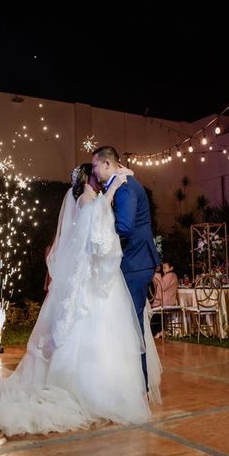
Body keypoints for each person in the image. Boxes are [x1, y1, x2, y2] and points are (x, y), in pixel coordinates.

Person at [0, 164, 161, 436]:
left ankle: (108, 385)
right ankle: (92, 390)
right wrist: (111, 191)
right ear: (91, 178)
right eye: (97, 174)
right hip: (94, 278)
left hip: (91, 275)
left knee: (99, 333)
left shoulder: (83, 199)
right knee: (98, 331)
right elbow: (98, 238)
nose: (101, 179)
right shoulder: (89, 199)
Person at [91, 146, 161, 386]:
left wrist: (100, 238)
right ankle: (131, 382)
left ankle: (138, 386)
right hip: (135, 261)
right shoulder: (120, 185)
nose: (94, 171)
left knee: (133, 325)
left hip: (135, 262)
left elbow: (124, 227)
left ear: (107, 164)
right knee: (129, 323)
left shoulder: (126, 188)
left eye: (96, 166)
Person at [151, 260, 179, 338]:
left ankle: (158, 331)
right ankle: (160, 330)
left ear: (171, 268)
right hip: (165, 300)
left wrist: (157, 275)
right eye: (163, 268)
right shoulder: (167, 276)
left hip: (167, 301)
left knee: (154, 308)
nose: (163, 269)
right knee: (155, 310)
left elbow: (162, 286)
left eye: (165, 267)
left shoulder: (171, 275)